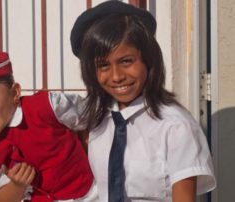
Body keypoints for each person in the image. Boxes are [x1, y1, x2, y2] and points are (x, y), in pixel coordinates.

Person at [69, 1, 216, 201]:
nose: (116, 76)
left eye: (126, 61)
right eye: (103, 65)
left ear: (148, 59)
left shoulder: (175, 126)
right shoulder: (97, 122)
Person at [0, 49, 98, 202]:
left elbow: (93, 116)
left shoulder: (48, 106)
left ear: (15, 92)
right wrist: (17, 186)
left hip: (92, 195)